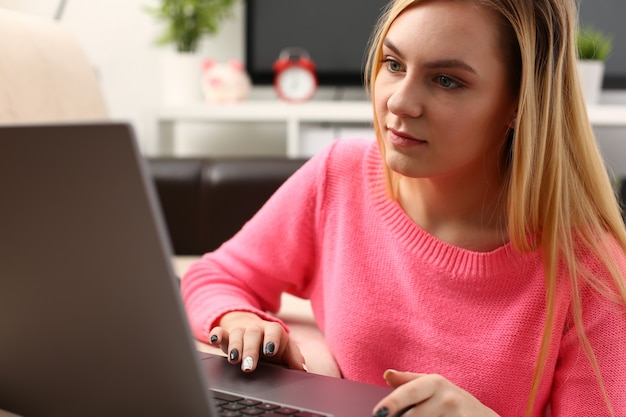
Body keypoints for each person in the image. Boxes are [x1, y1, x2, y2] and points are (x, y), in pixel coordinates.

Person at [181, 0, 626, 415]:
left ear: (519, 102)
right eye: (393, 64)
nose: (398, 101)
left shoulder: (590, 269)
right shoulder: (341, 174)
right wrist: (239, 320)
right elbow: (215, 276)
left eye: (446, 80)